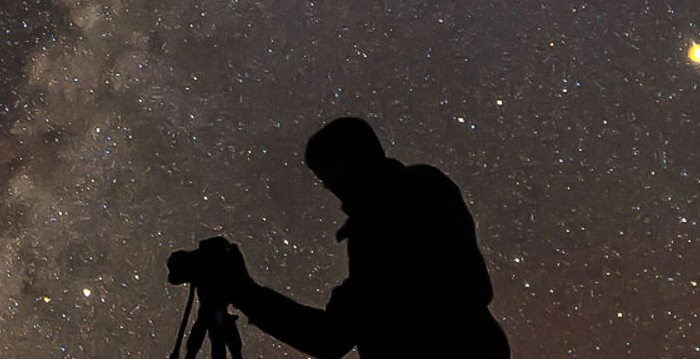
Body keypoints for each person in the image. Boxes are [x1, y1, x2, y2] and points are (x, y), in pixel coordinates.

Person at [213, 116, 509, 358]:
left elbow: (331, 337)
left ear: (356, 163)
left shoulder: (393, 217)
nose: (333, 190)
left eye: (332, 177)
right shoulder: (412, 200)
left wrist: (244, 292)